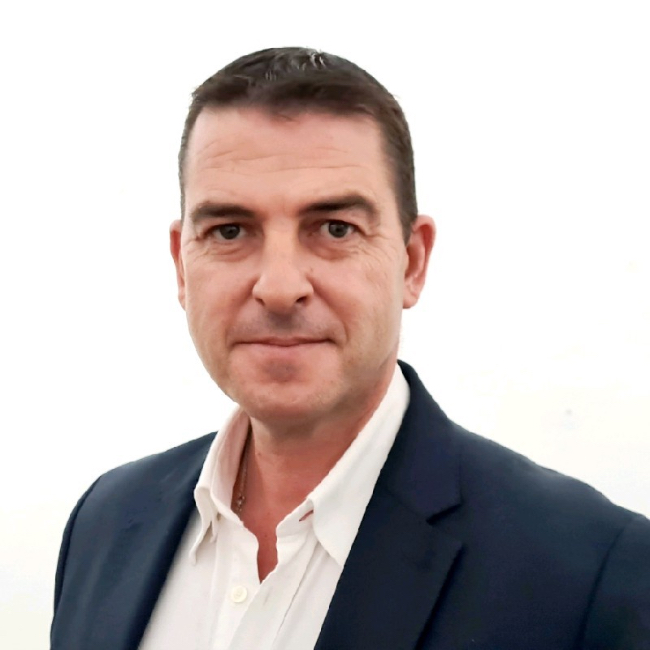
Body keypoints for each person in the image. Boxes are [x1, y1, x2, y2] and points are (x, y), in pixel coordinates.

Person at [50, 47, 650, 650]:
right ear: (182, 266)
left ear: (412, 262)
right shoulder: (104, 524)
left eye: (335, 229)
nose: (279, 286)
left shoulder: (590, 575)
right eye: (229, 231)